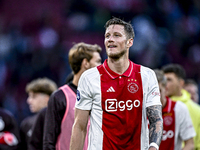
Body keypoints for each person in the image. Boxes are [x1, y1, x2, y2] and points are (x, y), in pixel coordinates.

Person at [70, 17, 163, 150]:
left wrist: (153, 146)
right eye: (107, 36)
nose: (110, 39)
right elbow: (79, 126)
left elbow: (156, 120)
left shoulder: (146, 75)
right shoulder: (89, 78)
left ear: (129, 42)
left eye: (117, 35)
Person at [43, 42, 102, 150]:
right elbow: (49, 142)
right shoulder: (60, 97)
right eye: (98, 61)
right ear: (86, 63)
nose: (102, 66)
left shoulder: (103, 97)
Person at [154, 69, 196, 150]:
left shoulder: (179, 108)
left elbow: (190, 144)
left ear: (166, 89)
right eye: (150, 91)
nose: (154, 95)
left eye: (158, 91)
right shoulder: (139, 109)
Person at [162, 64, 200, 149]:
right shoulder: (159, 105)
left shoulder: (196, 110)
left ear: (181, 83)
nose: (165, 84)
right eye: (164, 80)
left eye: (169, 80)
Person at [20, 78, 57, 150]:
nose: (29, 101)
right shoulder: (26, 124)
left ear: (47, 98)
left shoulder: (60, 120)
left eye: (34, 97)